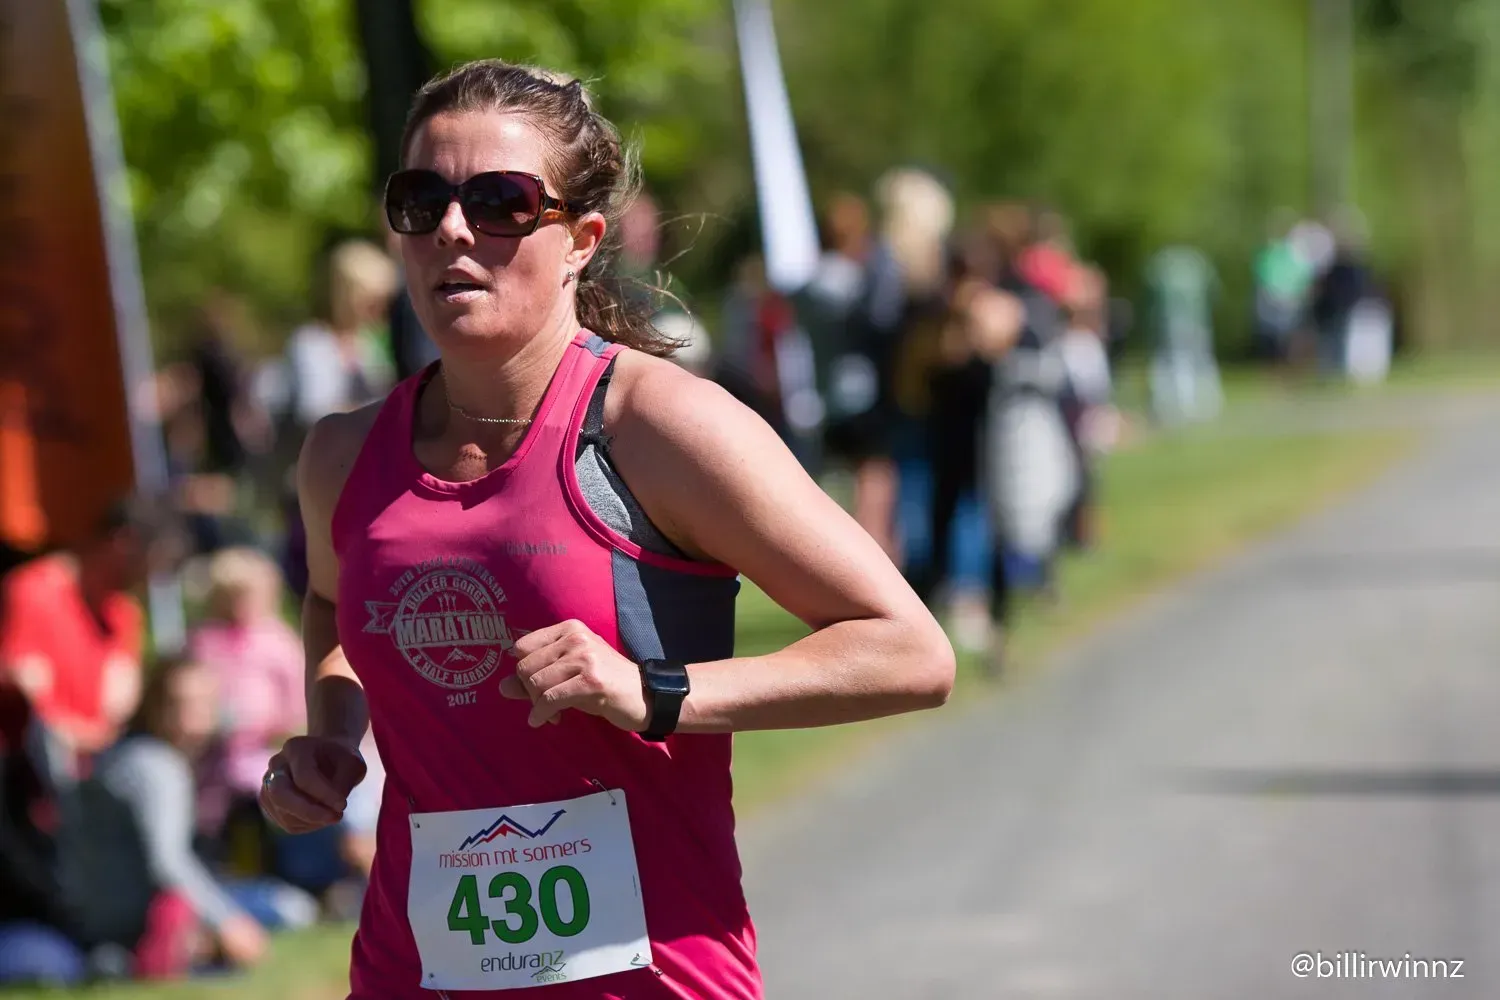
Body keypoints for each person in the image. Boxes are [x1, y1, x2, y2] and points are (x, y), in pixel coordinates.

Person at [258, 59, 954, 1000]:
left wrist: (652, 690)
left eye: (501, 202)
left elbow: (910, 652)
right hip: (411, 975)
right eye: (421, 198)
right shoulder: (343, 456)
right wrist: (330, 736)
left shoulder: (658, 427)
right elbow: (336, 603)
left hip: (650, 979)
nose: (455, 230)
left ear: (583, 240)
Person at [0, 497, 182, 771]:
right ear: (124, 542)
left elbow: (119, 703)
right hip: (33, 770)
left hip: (99, 766)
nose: (149, 580)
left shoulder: (124, 614)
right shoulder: (33, 590)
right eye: (149, 564)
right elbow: (23, 681)